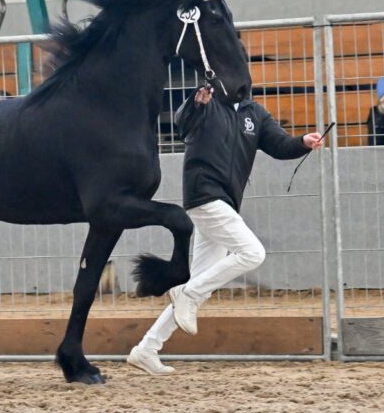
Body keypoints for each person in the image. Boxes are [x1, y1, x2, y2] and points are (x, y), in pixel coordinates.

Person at [126, 85, 324, 376]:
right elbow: (182, 121)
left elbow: (279, 145)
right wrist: (196, 103)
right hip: (203, 195)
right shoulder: (207, 102)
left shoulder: (254, 113)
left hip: (225, 204)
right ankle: (186, 295)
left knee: (200, 284)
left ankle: (147, 348)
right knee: (252, 253)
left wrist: (303, 142)